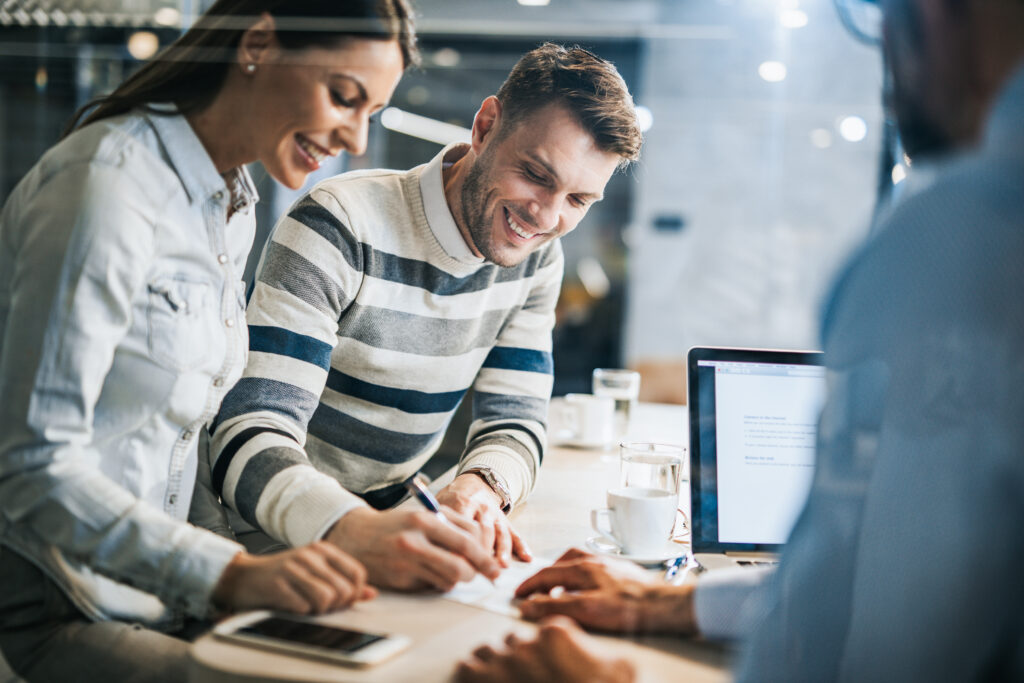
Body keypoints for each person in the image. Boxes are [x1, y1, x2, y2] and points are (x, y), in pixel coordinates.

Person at [456, 0, 1024, 679]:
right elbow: (878, 580)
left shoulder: (965, 236)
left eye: (886, 16)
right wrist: (667, 602)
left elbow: (890, 640)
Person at [0, 1, 417, 680]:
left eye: (371, 111)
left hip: (158, 596)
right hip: (54, 603)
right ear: (257, 42)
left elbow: (178, 439)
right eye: (345, 97)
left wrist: (241, 580)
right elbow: (33, 467)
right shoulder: (106, 186)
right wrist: (229, 576)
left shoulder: (232, 204)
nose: (357, 138)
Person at [205, 43, 644, 592]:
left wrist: (480, 488)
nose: (547, 216)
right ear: (486, 127)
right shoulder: (340, 223)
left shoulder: (537, 258)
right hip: (273, 550)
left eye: (579, 200)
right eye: (535, 174)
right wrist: (354, 530)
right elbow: (247, 430)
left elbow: (517, 419)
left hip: (398, 535)